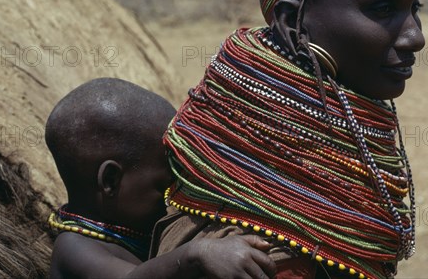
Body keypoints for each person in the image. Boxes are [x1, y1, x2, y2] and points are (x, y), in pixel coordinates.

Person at [157, 0, 425, 279]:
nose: (415, 37)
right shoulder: (261, 259)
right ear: (291, 22)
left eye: (415, 8)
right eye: (382, 8)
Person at [45, 77, 277, 279]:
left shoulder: (133, 231)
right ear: (111, 181)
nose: (172, 196)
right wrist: (197, 254)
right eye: (163, 185)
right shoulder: (73, 248)